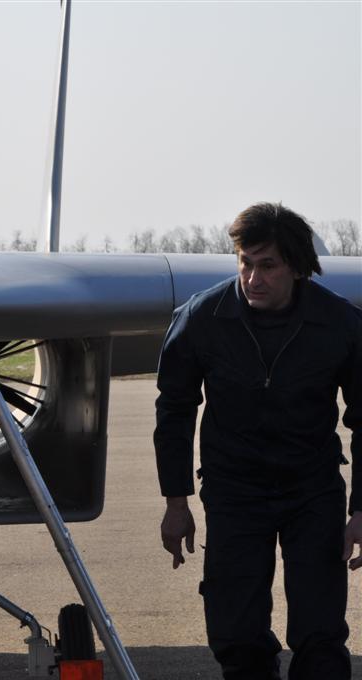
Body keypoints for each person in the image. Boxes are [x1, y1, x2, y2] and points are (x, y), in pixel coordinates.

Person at [154, 202, 361, 679]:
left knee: (320, 637)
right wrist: (176, 502)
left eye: (267, 266)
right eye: (245, 263)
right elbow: (174, 410)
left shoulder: (341, 324)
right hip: (235, 492)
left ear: (297, 268)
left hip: (313, 491)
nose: (252, 278)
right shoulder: (202, 317)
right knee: (237, 636)